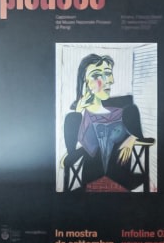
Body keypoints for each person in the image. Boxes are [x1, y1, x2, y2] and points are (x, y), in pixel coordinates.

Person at [61, 52, 153, 192]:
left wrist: (132, 139)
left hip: (120, 178)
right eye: (97, 75)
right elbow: (74, 153)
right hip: (91, 179)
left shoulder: (126, 113)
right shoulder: (77, 117)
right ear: (85, 82)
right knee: (71, 118)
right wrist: (79, 110)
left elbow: (146, 139)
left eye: (108, 73)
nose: (109, 81)